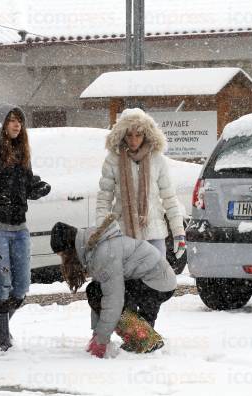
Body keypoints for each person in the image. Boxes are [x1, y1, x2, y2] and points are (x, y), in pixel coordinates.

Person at [50, 215, 176, 358]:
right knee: (96, 290)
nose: (63, 261)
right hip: (148, 279)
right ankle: (144, 336)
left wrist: (102, 340)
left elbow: (113, 300)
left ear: (70, 249)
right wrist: (97, 333)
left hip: (157, 282)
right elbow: (104, 293)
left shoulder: (103, 253)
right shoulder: (92, 247)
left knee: (103, 296)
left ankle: (147, 339)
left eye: (63, 256)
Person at [0, 103, 51, 351]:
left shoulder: (22, 151)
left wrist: (37, 188)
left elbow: (26, 182)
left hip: (20, 226)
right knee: (2, 283)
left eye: (19, 121)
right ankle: (4, 338)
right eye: (11, 120)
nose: (16, 125)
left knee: (22, 285)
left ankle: (0, 321)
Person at [96, 108, 186, 260]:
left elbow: (169, 197)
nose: (133, 140)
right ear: (122, 135)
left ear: (146, 135)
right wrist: (101, 230)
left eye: (138, 135)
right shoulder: (113, 160)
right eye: (129, 135)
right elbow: (104, 198)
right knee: (130, 280)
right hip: (124, 233)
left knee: (157, 278)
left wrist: (178, 233)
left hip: (154, 231)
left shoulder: (157, 159)